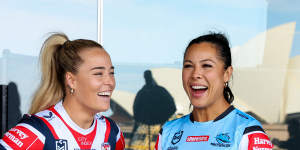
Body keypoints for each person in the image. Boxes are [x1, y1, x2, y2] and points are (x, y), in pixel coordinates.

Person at [0, 33, 125, 150]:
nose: (110, 82)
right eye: (98, 73)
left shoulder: (112, 133)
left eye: (111, 73)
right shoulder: (36, 131)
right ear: (71, 80)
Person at [154, 32, 273, 150]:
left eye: (206, 65)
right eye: (188, 66)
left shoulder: (247, 132)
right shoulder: (168, 132)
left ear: (227, 74)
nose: (195, 74)